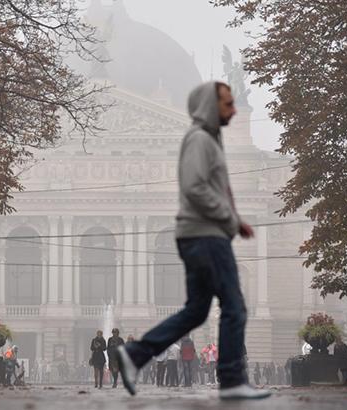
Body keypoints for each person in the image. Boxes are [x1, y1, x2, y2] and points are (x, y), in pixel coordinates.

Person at [115, 81, 271, 400]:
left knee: (197, 311)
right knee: (235, 306)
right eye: (228, 104)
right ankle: (231, 380)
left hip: (201, 234)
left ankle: (135, 355)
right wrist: (231, 220)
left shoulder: (209, 140)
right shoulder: (200, 139)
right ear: (211, 107)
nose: (235, 109)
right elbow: (195, 188)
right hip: (205, 234)